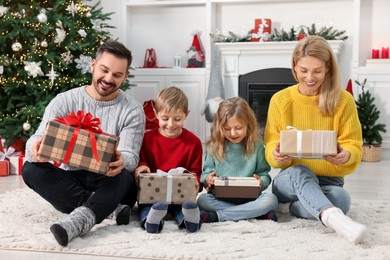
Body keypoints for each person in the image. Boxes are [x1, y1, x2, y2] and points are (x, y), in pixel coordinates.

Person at [22, 40, 145, 246]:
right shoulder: (64, 101)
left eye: (117, 75)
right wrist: (36, 148)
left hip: (108, 179)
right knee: (30, 169)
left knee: (124, 178)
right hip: (72, 179)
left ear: (125, 76)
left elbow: (131, 156)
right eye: (104, 70)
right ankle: (109, 209)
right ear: (93, 66)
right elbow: (36, 138)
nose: (108, 79)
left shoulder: (132, 110)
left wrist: (122, 161)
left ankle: (79, 221)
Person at [264, 35, 367, 244]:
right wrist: (275, 154)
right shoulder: (280, 100)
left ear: (328, 67)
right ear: (294, 66)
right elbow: (269, 147)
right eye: (303, 70)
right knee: (301, 170)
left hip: (329, 181)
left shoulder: (342, 100)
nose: (310, 77)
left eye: (317, 71)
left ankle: (295, 207)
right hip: (290, 179)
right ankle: (333, 217)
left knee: (342, 199)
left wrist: (345, 155)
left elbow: (354, 145)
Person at [197, 97, 278, 223]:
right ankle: (255, 213)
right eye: (227, 129)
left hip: (250, 198)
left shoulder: (257, 147)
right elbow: (206, 173)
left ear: (248, 125)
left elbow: (265, 174)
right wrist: (207, 179)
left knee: (271, 200)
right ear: (219, 127)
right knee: (202, 200)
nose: (233, 133)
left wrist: (261, 181)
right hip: (221, 197)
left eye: (238, 128)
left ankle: (220, 216)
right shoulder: (213, 146)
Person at [135, 86, 203, 234]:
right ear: (156, 114)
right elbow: (141, 161)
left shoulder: (194, 142)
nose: (171, 124)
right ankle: (150, 222)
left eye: (177, 119)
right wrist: (142, 167)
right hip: (153, 195)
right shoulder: (147, 139)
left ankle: (188, 221)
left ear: (186, 115)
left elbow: (196, 171)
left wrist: (195, 180)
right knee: (147, 206)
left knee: (185, 206)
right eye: (165, 118)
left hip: (180, 195)